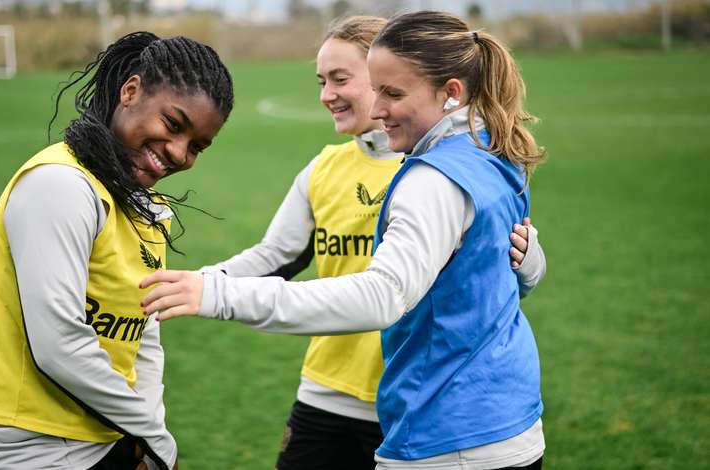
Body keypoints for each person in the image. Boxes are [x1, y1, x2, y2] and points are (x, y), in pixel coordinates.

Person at [141, 11, 547, 470]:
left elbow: (387, 294)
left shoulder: (435, 174)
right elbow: (276, 255)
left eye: (344, 79)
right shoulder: (487, 151)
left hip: (434, 412)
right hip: (371, 396)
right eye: (322, 81)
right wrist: (193, 284)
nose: (329, 95)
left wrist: (530, 259)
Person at [0, 32, 233, 470]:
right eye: (173, 125)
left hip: (104, 444)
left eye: (197, 146)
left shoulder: (147, 206)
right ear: (130, 91)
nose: (178, 153)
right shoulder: (59, 184)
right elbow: (59, 345)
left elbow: (143, 337)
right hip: (21, 451)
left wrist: (146, 440)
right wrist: (157, 441)